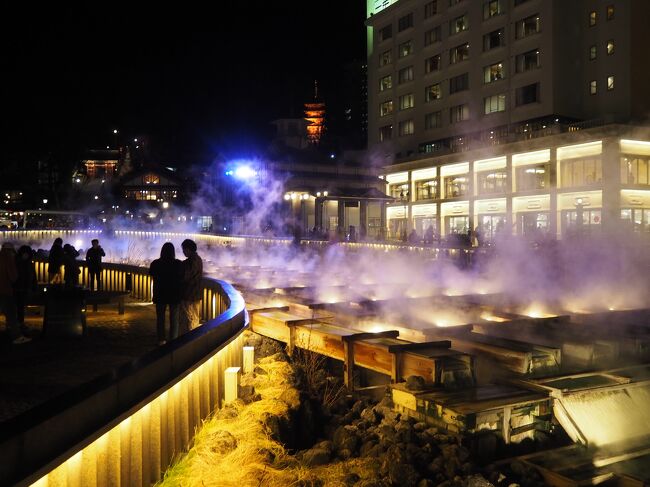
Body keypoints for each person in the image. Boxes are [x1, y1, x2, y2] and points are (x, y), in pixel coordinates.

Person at [149, 242, 182, 345]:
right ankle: (173, 340)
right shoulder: (178, 264)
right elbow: (182, 276)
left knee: (160, 318)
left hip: (160, 294)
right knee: (174, 318)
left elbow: (151, 274)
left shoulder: (155, 263)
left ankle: (161, 340)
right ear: (173, 252)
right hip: (174, 294)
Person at [0, 243, 31, 344]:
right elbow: (13, 277)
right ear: (10, 251)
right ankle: (16, 337)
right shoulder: (8, 259)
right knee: (11, 313)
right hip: (5, 290)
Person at [179, 239, 203, 333]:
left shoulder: (192, 261)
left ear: (188, 249)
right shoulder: (197, 259)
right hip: (195, 294)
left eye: (184, 249)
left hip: (189, 294)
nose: (183, 252)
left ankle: (189, 341)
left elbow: (186, 277)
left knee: (189, 319)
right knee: (193, 317)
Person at [14, 245, 37, 329]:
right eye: (25, 253)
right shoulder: (19, 262)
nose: (26, 255)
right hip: (19, 288)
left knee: (20, 306)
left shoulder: (21, 262)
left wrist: (33, 286)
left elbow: (33, 276)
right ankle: (19, 323)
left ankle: (19, 322)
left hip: (23, 287)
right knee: (19, 306)